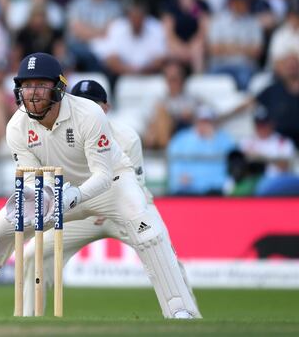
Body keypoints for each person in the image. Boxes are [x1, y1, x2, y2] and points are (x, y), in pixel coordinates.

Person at [0, 53, 199, 318]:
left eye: (40, 85)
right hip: (59, 194)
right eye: (27, 86)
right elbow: (34, 180)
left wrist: (75, 195)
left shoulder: (88, 113)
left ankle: (180, 312)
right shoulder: (16, 128)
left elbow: (102, 175)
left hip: (112, 187)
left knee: (148, 231)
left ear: (58, 87)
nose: (33, 94)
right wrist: (42, 201)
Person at [22, 80, 200, 318]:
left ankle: (185, 314)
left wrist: (104, 207)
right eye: (81, 104)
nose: (88, 110)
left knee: (162, 248)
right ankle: (29, 319)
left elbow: (133, 187)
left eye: (93, 104)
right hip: (82, 212)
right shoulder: (60, 136)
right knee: (34, 252)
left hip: (124, 212)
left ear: (106, 108)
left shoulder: (126, 137)